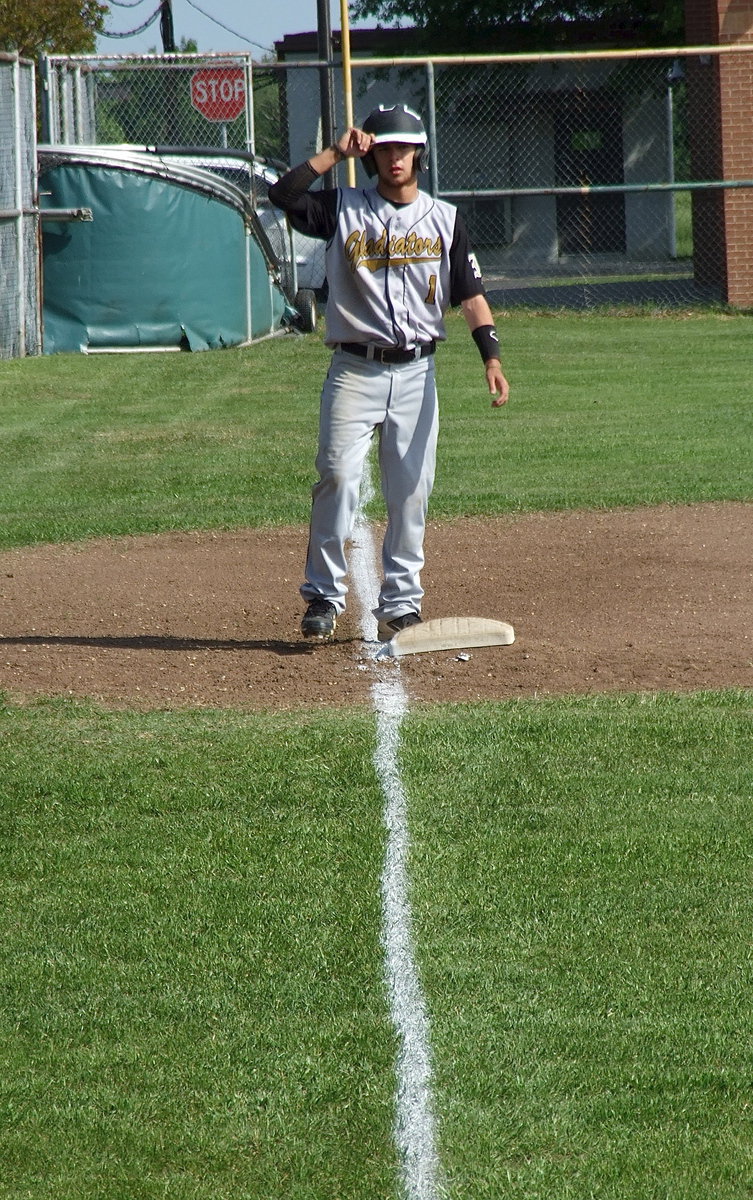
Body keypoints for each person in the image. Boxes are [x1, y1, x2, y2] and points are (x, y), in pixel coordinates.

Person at [268, 102, 510, 642]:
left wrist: (490, 356)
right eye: (383, 148)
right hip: (355, 369)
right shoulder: (342, 208)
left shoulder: (445, 219)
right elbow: (280, 195)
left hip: (418, 373)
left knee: (410, 491)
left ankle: (401, 601)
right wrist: (335, 152)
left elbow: (470, 296)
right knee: (337, 477)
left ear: (418, 152)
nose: (393, 157)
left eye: (402, 147)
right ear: (370, 153)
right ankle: (323, 597)